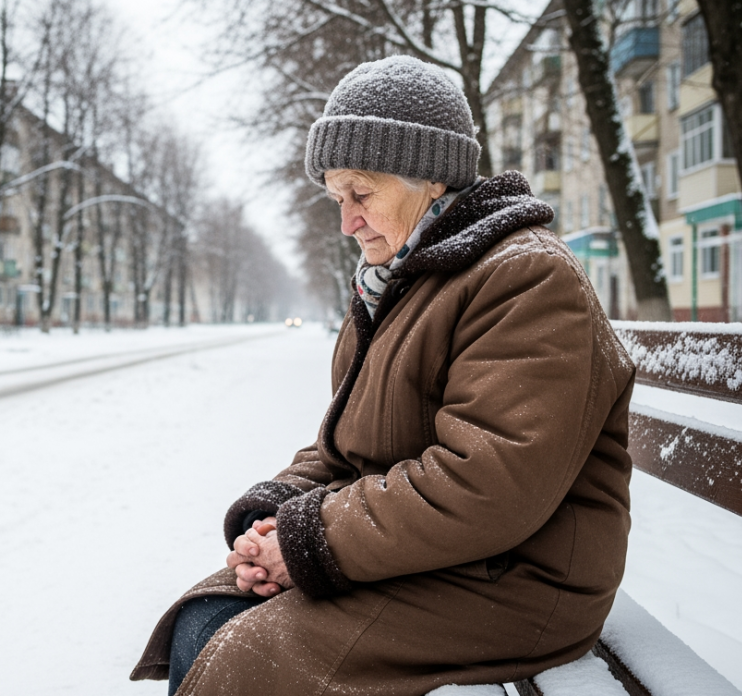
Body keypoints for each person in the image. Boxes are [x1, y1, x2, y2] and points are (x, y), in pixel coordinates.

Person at [129, 55, 636, 696]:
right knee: (206, 616)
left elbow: (490, 482)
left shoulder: (526, 278)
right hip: (432, 551)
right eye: (337, 199)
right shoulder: (398, 283)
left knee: (244, 658)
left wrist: (310, 540)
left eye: (360, 194)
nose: (347, 222)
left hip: (515, 578)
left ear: (429, 178)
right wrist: (277, 514)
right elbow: (345, 441)